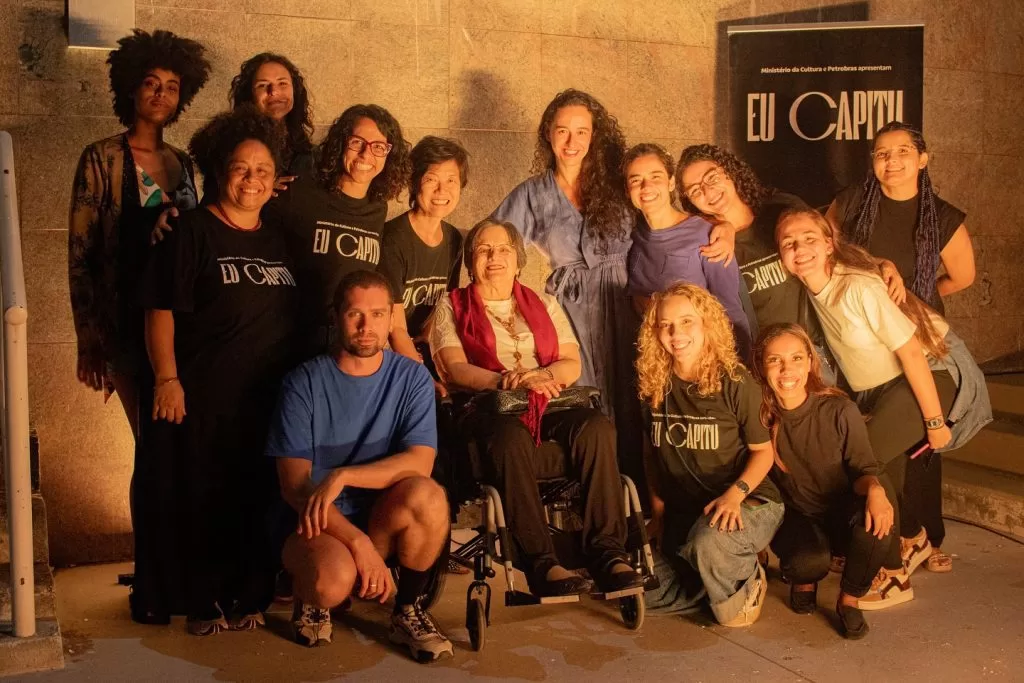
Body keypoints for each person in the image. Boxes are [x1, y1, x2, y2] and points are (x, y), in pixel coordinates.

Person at [492, 89, 727, 490]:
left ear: (594, 135)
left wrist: (724, 226)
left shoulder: (617, 183)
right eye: (562, 130)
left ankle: (645, 502)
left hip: (627, 300)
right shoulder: (532, 194)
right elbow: (491, 240)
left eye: (581, 131)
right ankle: (593, 500)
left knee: (640, 397)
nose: (571, 141)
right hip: (572, 311)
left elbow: (670, 217)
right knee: (585, 400)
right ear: (548, 133)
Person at [138, 108, 298, 633]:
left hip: (264, 400)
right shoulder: (190, 231)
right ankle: (201, 601)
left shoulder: (278, 238)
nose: (252, 179)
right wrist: (167, 378)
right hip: (202, 397)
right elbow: (160, 308)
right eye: (240, 168)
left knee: (253, 499)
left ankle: (247, 596)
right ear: (219, 171)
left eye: (263, 170)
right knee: (200, 498)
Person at [428, 219, 644, 598]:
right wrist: (508, 381)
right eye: (484, 250)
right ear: (470, 261)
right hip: (488, 408)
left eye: (504, 249)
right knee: (511, 438)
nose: (494, 257)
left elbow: (571, 363)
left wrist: (540, 377)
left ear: (518, 259)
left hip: (547, 401)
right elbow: (453, 367)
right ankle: (542, 564)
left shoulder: (544, 303)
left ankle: (608, 553)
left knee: (596, 427)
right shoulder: (451, 305)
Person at [776, 207, 977, 590]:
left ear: (829, 244)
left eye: (809, 239)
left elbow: (912, 353)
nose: (799, 249)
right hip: (886, 387)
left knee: (865, 459)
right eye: (789, 243)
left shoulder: (858, 287)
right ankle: (912, 538)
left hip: (930, 372)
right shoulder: (812, 289)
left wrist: (935, 422)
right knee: (886, 476)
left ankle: (892, 573)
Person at [265, 270, 453, 661]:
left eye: (378, 314)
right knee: (332, 583)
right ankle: (310, 595)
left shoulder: (412, 379)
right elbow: (294, 486)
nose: (367, 327)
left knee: (429, 496)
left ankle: (408, 609)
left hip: (381, 516)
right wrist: (358, 543)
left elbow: (420, 462)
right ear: (336, 316)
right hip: (317, 522)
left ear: (391, 318)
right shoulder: (302, 383)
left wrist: (345, 475)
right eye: (355, 314)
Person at [69, 29, 210, 441]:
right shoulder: (102, 157)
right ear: (131, 87)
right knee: (149, 442)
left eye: (172, 87)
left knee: (176, 444)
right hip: (123, 322)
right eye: (152, 83)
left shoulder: (183, 162)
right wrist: (88, 339)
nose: (161, 94)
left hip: (180, 324)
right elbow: (80, 253)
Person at [637, 283, 782, 627]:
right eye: (666, 325)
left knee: (710, 550)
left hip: (747, 500)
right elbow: (651, 454)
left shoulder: (734, 381)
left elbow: (763, 453)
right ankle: (712, 576)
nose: (676, 333)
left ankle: (747, 579)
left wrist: (734, 495)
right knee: (635, 589)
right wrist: (658, 514)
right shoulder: (653, 383)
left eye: (687, 321)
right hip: (688, 509)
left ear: (707, 324)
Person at [752, 323, 898, 638]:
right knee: (808, 562)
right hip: (795, 516)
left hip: (839, 510)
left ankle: (849, 598)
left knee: (878, 523)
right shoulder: (759, 416)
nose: (787, 369)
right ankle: (805, 579)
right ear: (762, 367)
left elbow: (862, 468)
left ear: (810, 362)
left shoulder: (839, 410)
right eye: (775, 360)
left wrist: (875, 489)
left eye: (796, 358)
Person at [266, 104, 411, 358]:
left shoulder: (377, 208)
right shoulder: (301, 193)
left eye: (379, 147)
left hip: (348, 344)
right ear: (341, 143)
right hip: (294, 340)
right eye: (357, 142)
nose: (366, 154)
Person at [826, 121, 975, 314]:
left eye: (903, 151)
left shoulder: (944, 218)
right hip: (856, 316)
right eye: (882, 154)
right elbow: (824, 251)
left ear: (922, 160)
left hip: (915, 322)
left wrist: (915, 298)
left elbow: (962, 279)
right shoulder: (850, 200)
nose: (891, 159)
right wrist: (878, 265)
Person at [675, 144, 817, 344]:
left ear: (730, 171)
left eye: (712, 178)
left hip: (814, 346)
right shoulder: (706, 243)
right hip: (762, 355)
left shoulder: (781, 209)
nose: (708, 191)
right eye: (695, 190)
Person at [623, 143, 751, 362]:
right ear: (628, 190)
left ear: (671, 182)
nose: (646, 187)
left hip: (704, 362)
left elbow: (731, 310)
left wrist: (739, 368)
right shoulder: (632, 236)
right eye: (636, 180)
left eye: (656, 177)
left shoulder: (708, 235)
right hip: (655, 364)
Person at [378, 136, 467, 378]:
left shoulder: (454, 239)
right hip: (388, 352)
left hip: (424, 349)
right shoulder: (392, 239)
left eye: (451, 180)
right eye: (431, 179)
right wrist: (422, 377)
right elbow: (394, 327)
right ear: (414, 182)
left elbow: (443, 306)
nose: (441, 190)